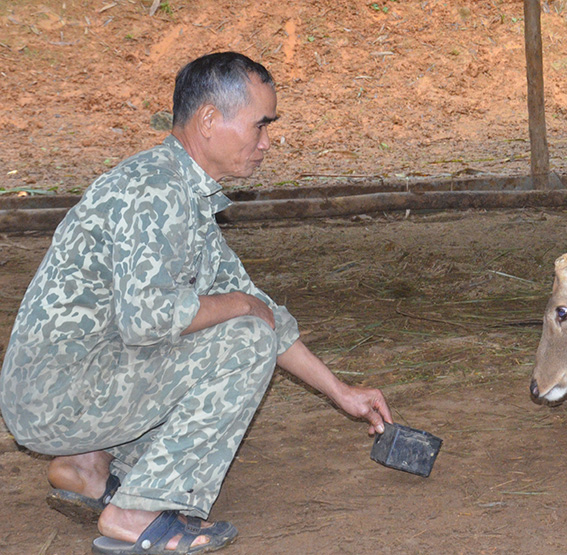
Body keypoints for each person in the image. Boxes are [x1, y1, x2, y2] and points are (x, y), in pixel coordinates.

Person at [0, 52, 392, 554]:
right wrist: (237, 307)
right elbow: (153, 319)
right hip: (55, 398)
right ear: (209, 120)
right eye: (260, 125)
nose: (267, 142)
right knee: (241, 339)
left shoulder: (181, 190)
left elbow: (259, 306)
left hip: (63, 387)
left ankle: (87, 467)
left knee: (242, 321)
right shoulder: (157, 191)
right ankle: (136, 511)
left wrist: (342, 392)